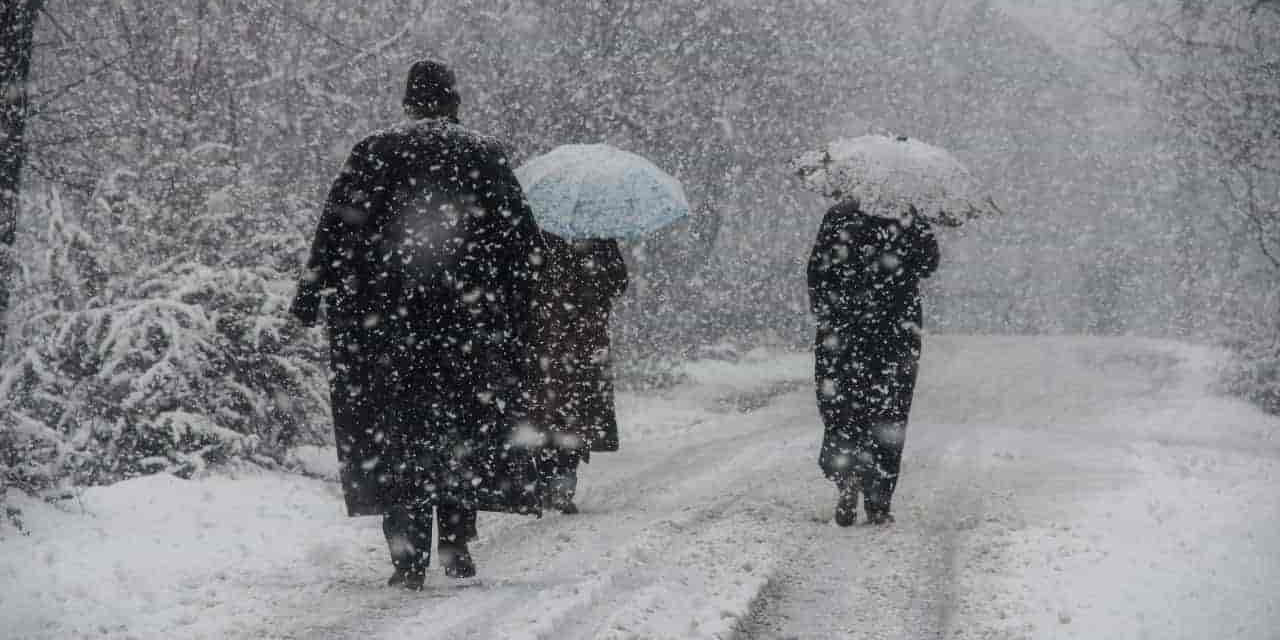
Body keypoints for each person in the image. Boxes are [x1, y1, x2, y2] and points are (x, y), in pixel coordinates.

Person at [290, 59, 541, 588]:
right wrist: (518, 306)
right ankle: (454, 540)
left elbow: (334, 228)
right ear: (453, 101)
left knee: (397, 435)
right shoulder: (482, 154)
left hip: (384, 327)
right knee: (459, 429)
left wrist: (310, 294)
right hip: (463, 326)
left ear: (407, 102)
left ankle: (406, 555)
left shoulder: (373, 153)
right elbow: (522, 243)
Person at [806, 200, 940, 526]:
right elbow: (928, 264)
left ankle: (846, 476)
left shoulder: (840, 215)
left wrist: (829, 313)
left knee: (842, 408)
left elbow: (816, 272)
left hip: (844, 331)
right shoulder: (909, 215)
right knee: (889, 413)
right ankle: (879, 499)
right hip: (895, 331)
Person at [530, 233, 628, 514]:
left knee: (547, 408)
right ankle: (561, 479)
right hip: (583, 340)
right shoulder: (597, 235)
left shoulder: (538, 235)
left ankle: (549, 477)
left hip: (548, 337)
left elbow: (524, 282)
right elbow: (619, 283)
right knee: (576, 409)